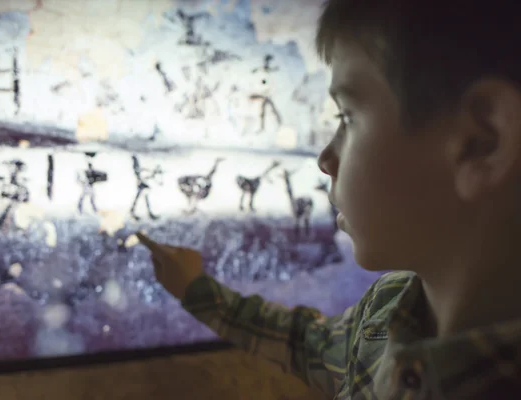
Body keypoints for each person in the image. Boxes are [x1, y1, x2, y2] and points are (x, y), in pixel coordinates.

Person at [137, 0, 521, 398]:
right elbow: (306, 341)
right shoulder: (388, 310)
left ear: (482, 143)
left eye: (347, 116)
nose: (325, 159)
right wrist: (193, 288)